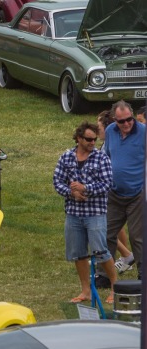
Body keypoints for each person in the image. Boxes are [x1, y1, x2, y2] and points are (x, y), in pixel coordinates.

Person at [53, 121, 117, 304]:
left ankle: (115, 287)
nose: (92, 143)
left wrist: (85, 188)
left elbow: (107, 184)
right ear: (79, 138)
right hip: (73, 213)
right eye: (88, 139)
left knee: (101, 250)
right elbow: (57, 181)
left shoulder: (101, 158)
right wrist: (71, 192)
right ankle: (86, 291)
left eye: (95, 139)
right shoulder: (66, 157)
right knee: (78, 253)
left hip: (95, 213)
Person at [102, 100, 145, 282]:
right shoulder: (110, 131)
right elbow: (106, 156)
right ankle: (104, 274)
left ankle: (143, 274)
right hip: (114, 193)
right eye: (122, 121)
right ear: (114, 120)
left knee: (138, 237)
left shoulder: (143, 132)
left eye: (129, 119)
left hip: (138, 194)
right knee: (106, 234)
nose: (126, 124)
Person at [96, 109, 134, 275]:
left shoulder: (112, 143)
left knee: (103, 228)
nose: (97, 131)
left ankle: (126, 255)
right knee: (114, 227)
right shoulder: (107, 143)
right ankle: (125, 257)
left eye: (99, 127)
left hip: (112, 190)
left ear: (108, 127)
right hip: (113, 190)